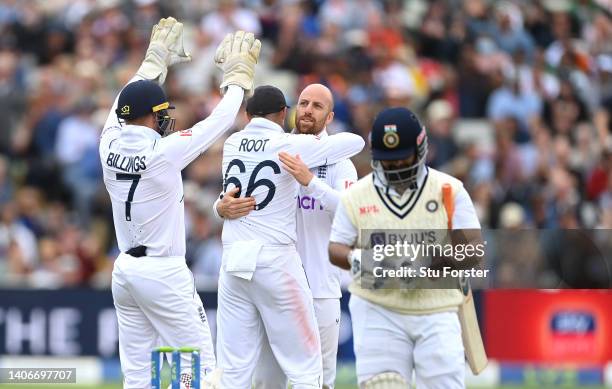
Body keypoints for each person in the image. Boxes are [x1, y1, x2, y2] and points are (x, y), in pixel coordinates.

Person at [99, 17, 261, 388]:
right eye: (160, 113)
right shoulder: (163, 151)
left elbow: (115, 109)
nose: (165, 119)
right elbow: (218, 122)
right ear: (148, 116)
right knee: (201, 368)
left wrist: (152, 63)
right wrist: (237, 78)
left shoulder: (107, 144)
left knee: (138, 375)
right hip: (163, 272)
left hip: (124, 269)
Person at [214, 85, 364, 389]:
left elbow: (353, 214)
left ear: (330, 116)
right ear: (288, 111)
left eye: (318, 106)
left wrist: (311, 183)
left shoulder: (338, 161)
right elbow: (234, 193)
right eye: (304, 103)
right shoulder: (277, 148)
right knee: (267, 382)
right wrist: (219, 205)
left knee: (319, 381)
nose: (308, 110)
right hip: (275, 283)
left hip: (319, 287)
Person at [328, 107, 483, 388]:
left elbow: (473, 248)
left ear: (421, 148)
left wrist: (428, 265)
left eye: (403, 159)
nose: (396, 167)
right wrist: (364, 261)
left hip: (437, 308)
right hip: (377, 308)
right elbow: (335, 248)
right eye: (388, 161)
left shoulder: (449, 190)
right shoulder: (356, 195)